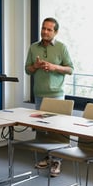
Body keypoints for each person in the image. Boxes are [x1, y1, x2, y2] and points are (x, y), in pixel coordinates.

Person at [25, 17, 74, 177]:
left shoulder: (61, 48)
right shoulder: (33, 47)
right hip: (39, 95)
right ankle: (47, 156)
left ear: (56, 32)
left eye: (49, 29)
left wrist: (54, 67)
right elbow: (27, 70)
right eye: (43, 28)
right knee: (42, 130)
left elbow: (70, 69)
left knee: (57, 131)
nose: (45, 32)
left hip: (56, 95)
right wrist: (35, 66)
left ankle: (57, 161)